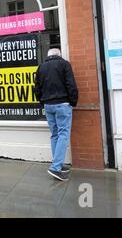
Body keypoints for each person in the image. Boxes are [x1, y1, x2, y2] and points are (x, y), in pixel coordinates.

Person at [35, 48, 78, 181]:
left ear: (48, 56)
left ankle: (57, 164)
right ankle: (56, 167)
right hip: (62, 104)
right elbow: (71, 85)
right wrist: (73, 102)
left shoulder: (41, 67)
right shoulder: (64, 64)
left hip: (48, 105)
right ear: (59, 55)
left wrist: (42, 102)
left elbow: (36, 88)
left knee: (54, 134)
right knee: (63, 134)